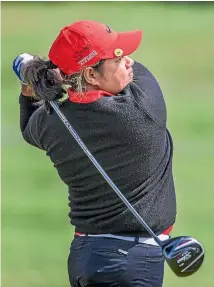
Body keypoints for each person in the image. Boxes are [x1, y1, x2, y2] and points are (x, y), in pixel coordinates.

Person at [13, 20, 177, 287]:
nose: (130, 62)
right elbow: (141, 72)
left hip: (84, 257)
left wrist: (32, 80)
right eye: (118, 57)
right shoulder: (143, 107)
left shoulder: (51, 124)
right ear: (91, 75)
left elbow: (27, 124)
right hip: (132, 265)